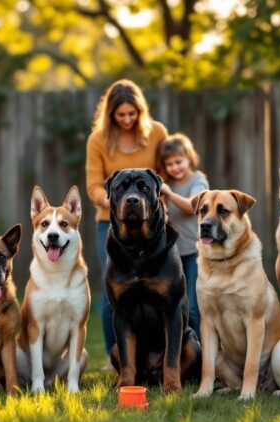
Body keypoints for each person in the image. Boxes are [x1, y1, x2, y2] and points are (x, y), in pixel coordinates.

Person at [85, 79, 169, 370]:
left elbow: (163, 173)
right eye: (121, 115)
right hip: (110, 225)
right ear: (111, 115)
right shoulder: (98, 140)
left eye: (132, 114)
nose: (127, 120)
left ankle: (163, 356)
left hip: (152, 227)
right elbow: (94, 183)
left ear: (140, 111)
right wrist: (111, 201)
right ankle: (115, 357)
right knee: (113, 294)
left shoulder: (156, 132)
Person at [155, 133, 209, 339]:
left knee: (194, 306)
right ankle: (183, 346)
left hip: (194, 254)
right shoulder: (166, 185)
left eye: (179, 161)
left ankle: (202, 351)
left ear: (189, 158)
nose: (174, 167)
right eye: (169, 164)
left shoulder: (198, 180)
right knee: (178, 304)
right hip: (172, 255)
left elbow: (192, 206)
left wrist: (168, 192)